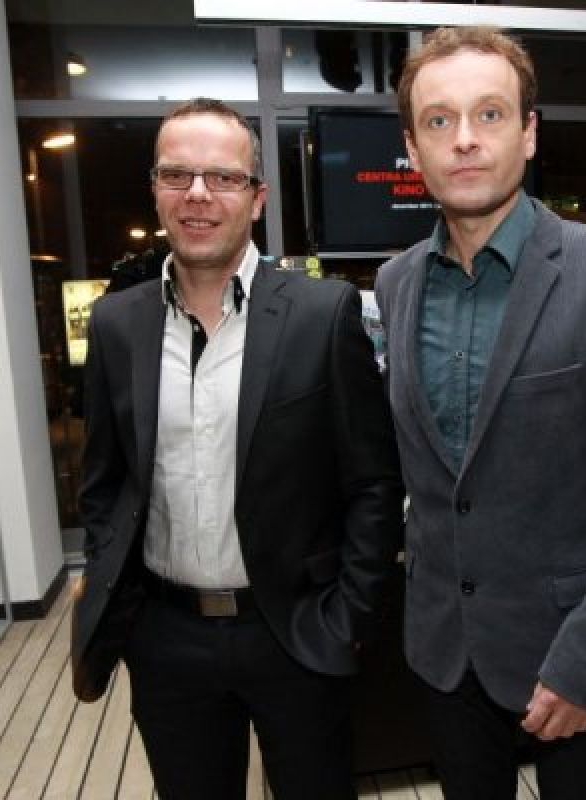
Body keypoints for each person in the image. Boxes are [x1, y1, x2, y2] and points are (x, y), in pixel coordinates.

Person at [375, 27, 586, 799]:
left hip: (576, 657)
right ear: (412, 147)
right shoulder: (395, 283)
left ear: (529, 132)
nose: (465, 139)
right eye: (439, 120)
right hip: (448, 658)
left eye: (489, 113)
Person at [70, 97, 403, 800]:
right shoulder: (116, 325)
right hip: (166, 639)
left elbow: (373, 483)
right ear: (155, 190)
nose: (197, 194)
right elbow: (103, 482)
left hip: (297, 634)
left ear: (256, 198)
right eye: (177, 174)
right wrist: (118, 598)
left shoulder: (321, 315)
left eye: (221, 177)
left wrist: (348, 616)